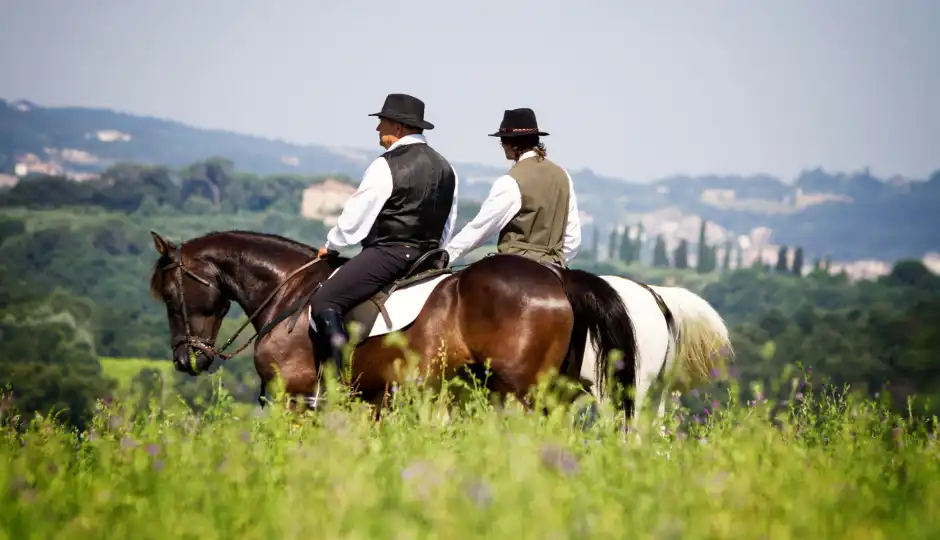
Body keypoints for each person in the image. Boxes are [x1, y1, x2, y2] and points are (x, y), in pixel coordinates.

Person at [310, 93, 459, 381]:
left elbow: (355, 220)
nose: (377, 129)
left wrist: (331, 246)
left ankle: (339, 383)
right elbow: (447, 223)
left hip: (389, 254)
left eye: (382, 123)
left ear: (399, 128)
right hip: (429, 257)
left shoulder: (387, 164)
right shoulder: (447, 168)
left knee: (324, 302)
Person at [445, 107, 581, 267]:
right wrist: (553, 265)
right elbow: (572, 239)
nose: (502, 145)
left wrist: (447, 255)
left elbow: (481, 228)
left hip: (516, 269)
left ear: (514, 144)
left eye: (503, 140)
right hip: (557, 268)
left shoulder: (510, 181)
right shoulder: (563, 176)